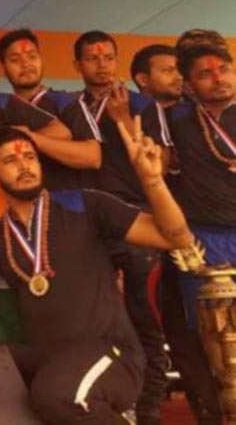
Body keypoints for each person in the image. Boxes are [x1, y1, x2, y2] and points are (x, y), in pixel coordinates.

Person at [0, 124, 196, 424]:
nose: (24, 165)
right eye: (11, 160)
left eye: (30, 157)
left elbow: (176, 237)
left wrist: (152, 179)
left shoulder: (86, 204)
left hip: (109, 350)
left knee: (58, 395)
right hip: (50, 358)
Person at [71, 30, 171, 424]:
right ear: (78, 65)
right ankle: (111, 403)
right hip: (90, 224)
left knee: (145, 318)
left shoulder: (143, 103)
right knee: (97, 319)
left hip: (136, 219)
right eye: (92, 58)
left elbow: (159, 164)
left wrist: (122, 119)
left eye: (108, 57)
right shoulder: (70, 107)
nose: (102, 65)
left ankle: (149, 409)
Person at [132, 43, 218, 423]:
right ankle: (204, 409)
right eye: (167, 69)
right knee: (177, 330)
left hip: (205, 237)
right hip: (157, 239)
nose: (178, 76)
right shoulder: (135, 117)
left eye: (180, 70)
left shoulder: (199, 115)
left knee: (218, 326)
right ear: (143, 80)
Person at [151, 42, 236, 423]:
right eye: (205, 73)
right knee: (210, 334)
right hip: (202, 241)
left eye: (224, 69)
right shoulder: (175, 121)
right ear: (188, 84)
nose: (218, 78)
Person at [0, 29, 101, 191]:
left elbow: (93, 157)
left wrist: (31, 138)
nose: (26, 64)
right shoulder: (1, 110)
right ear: (3, 69)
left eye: (32, 56)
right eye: (15, 60)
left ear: (41, 60)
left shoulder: (67, 102)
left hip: (69, 201)